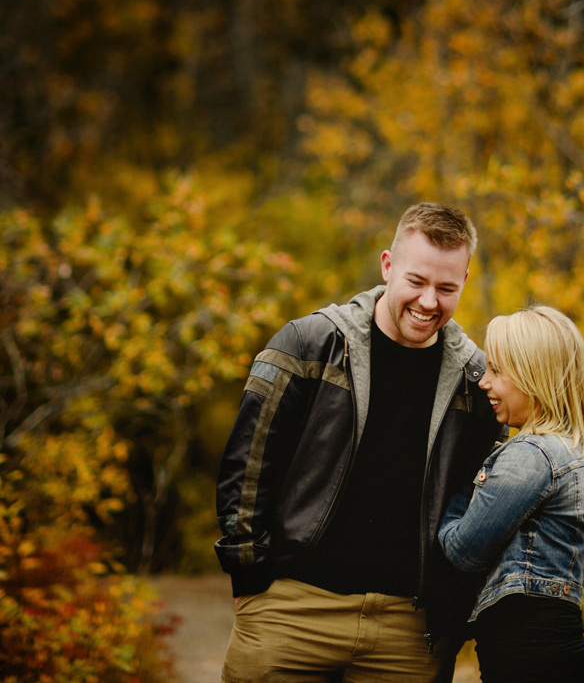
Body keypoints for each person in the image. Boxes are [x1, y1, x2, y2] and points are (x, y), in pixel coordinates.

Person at [215, 202, 504, 683]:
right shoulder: (308, 343)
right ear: (388, 266)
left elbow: (483, 500)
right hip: (292, 610)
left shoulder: (476, 381)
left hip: (408, 632)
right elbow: (247, 463)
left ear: (464, 282)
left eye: (446, 288)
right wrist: (249, 577)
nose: (429, 301)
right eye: (417, 281)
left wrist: (452, 606)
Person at [437, 305, 584, 683]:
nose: (484, 383)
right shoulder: (566, 451)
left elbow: (464, 550)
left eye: (496, 371)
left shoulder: (534, 454)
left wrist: (457, 493)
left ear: (533, 377)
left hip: (535, 662)